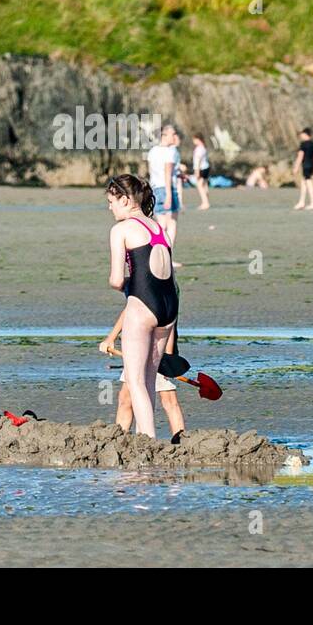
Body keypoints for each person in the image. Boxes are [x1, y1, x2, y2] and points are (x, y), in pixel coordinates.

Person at [106, 174, 178, 439]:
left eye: (111, 201)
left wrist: (127, 283)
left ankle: (147, 440)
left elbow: (115, 280)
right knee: (149, 379)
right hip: (169, 306)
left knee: (135, 380)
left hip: (143, 305)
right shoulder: (158, 227)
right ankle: (145, 436)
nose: (110, 207)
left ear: (125, 199)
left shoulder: (121, 230)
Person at [99, 308, 185, 443]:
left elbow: (169, 320)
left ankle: (180, 442)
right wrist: (111, 338)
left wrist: (167, 357)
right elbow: (129, 309)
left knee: (168, 400)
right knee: (125, 399)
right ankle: (119, 442)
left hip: (159, 353)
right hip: (136, 351)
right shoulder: (137, 292)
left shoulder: (161, 289)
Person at [146, 124, 181, 248]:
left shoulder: (152, 151)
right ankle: (168, 257)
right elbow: (167, 173)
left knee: (161, 224)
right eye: (173, 134)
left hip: (155, 188)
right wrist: (169, 195)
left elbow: (151, 172)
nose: (175, 136)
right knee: (171, 223)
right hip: (167, 188)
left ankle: (158, 255)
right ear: (164, 135)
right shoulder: (169, 152)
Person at [293, 128, 313, 210]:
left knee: (308, 183)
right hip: (311, 165)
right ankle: (302, 202)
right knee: (304, 183)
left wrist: (296, 167)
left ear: (305, 134)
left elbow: (300, 156)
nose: (301, 136)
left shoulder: (303, 144)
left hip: (306, 165)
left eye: (302, 134)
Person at [190, 134, 211, 210]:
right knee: (205, 185)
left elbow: (198, 161)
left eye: (194, 139)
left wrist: (197, 171)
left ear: (198, 139)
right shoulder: (203, 147)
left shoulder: (199, 149)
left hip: (201, 168)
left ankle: (205, 203)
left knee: (200, 186)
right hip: (206, 167)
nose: (193, 141)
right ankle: (206, 201)